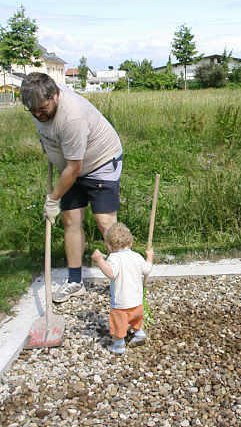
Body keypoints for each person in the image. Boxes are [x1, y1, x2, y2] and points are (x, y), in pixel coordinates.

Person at [21, 72, 123, 302]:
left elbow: (75, 168)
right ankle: (75, 281)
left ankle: (125, 277)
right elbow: (54, 139)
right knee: (70, 220)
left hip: (100, 162)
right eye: (32, 111)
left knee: (105, 222)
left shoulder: (72, 116)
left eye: (42, 109)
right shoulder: (38, 105)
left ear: (55, 95)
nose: (37, 114)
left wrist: (53, 198)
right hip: (71, 165)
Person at [91, 223, 154, 354]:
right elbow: (147, 270)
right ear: (130, 243)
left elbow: (111, 273)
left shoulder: (114, 258)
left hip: (121, 303)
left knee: (118, 324)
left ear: (108, 246)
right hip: (137, 301)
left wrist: (100, 261)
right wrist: (149, 257)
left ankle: (119, 344)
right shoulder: (136, 256)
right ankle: (139, 333)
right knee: (136, 319)